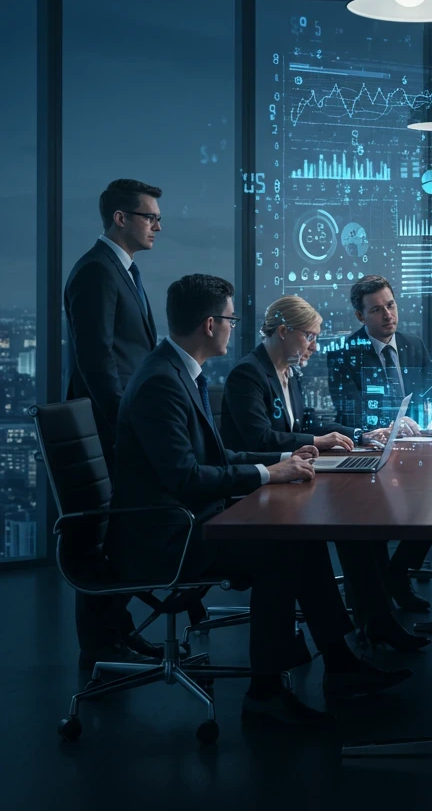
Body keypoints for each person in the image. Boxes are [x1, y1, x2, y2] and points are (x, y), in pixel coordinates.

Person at [110, 274, 410, 728]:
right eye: (229, 318)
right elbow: (187, 478)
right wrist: (270, 471)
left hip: (190, 519)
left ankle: (340, 666)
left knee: (300, 541)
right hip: (168, 534)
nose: (235, 327)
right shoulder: (162, 383)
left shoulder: (177, 373)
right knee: (283, 548)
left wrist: (282, 463)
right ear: (211, 325)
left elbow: (218, 456)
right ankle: (266, 694)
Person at [223, 295, 428, 652]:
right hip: (256, 493)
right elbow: (259, 437)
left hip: (288, 482)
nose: (314, 347)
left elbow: (306, 422)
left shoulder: (287, 371)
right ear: (284, 332)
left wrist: (359, 434)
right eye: (310, 337)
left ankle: (374, 624)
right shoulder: (249, 374)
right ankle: (361, 636)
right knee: (342, 529)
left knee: (357, 528)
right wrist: (317, 440)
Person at [63, 178, 165, 670]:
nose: (157, 227)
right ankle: (100, 648)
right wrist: (128, 424)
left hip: (117, 425)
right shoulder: (97, 272)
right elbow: (96, 361)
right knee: (101, 537)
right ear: (120, 218)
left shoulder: (121, 270)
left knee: (117, 534)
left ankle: (118, 634)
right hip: (105, 429)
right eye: (150, 217)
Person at [326, 276, 432, 612]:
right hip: (370, 449)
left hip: (417, 446)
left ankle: (396, 572)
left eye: (391, 305)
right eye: (377, 309)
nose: (389, 314)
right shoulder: (345, 353)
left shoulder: (413, 343)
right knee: (369, 515)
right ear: (361, 317)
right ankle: (375, 595)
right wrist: (387, 426)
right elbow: (349, 409)